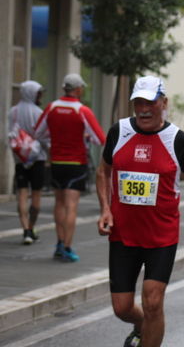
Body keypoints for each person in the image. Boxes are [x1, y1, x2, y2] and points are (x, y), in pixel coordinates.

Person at [96, 76, 184, 347]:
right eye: (138, 103)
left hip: (161, 235)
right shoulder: (119, 131)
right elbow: (103, 171)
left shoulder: (178, 139)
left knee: (153, 301)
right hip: (123, 233)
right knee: (122, 307)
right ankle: (140, 326)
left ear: (164, 103)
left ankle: (147, 332)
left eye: (150, 102)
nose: (144, 109)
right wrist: (105, 210)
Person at [34, 73, 106, 262]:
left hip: (56, 162)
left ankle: (59, 243)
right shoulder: (82, 110)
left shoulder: (51, 107)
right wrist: (85, 137)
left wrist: (54, 140)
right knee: (71, 205)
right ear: (78, 89)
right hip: (76, 163)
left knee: (58, 204)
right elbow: (100, 139)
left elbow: (37, 133)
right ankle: (67, 246)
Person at [8, 80, 46, 245]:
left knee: (22, 195)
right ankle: (31, 227)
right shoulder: (39, 113)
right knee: (36, 197)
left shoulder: (13, 112)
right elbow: (45, 137)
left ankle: (25, 230)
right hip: (38, 158)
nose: (40, 96)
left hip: (20, 159)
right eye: (39, 93)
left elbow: (9, 135)